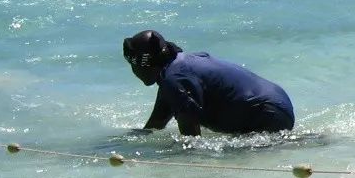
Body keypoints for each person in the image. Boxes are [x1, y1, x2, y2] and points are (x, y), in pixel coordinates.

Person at [122, 30, 295, 137]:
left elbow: (191, 141)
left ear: (142, 65)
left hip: (268, 115)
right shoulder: (178, 69)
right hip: (277, 104)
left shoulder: (174, 80)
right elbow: (155, 125)